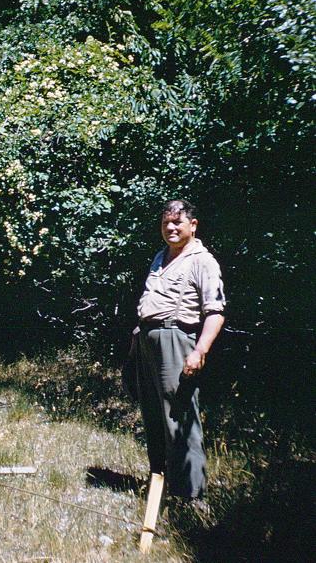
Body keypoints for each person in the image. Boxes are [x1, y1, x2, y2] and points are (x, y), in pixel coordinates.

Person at [132, 199, 226, 499]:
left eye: (177, 223)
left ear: (193, 226)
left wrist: (199, 351)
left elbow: (215, 311)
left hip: (177, 341)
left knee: (180, 417)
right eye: (165, 223)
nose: (170, 228)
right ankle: (161, 486)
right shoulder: (161, 256)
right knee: (154, 417)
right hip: (147, 341)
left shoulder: (202, 261)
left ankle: (190, 497)